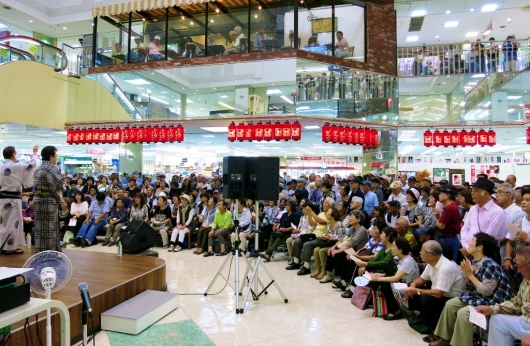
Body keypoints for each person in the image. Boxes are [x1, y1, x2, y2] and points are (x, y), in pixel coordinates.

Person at [430, 233, 511, 346]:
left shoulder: (490, 265)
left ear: (480, 247)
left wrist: (470, 275)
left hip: (492, 301)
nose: (469, 243)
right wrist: (468, 276)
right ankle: (445, 338)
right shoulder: (473, 262)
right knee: (450, 304)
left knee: (464, 313)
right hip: (478, 296)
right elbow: (470, 286)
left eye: (472, 240)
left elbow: (486, 291)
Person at [406, 241, 466, 343]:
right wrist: (413, 285)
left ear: (431, 255)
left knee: (427, 299)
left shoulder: (446, 267)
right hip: (439, 293)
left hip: (452, 298)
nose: (420, 253)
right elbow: (422, 279)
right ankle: (425, 320)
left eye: (422, 250)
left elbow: (439, 293)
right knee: (412, 286)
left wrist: (417, 290)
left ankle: (436, 331)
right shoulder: (431, 262)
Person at [475, 246, 530, 346]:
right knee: (497, 320)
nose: (518, 270)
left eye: (519, 266)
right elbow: (516, 303)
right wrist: (492, 309)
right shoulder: (526, 280)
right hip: (525, 320)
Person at [338, 226, 398, 299]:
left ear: (388, 237)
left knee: (360, 266)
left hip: (382, 272)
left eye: (382, 234)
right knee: (359, 266)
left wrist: (365, 264)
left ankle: (353, 290)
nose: (381, 236)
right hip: (377, 268)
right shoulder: (384, 249)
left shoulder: (393, 250)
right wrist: (365, 266)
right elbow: (375, 259)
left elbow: (383, 263)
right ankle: (350, 287)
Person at [0, 145, 38, 255]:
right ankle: (9, 247)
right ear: (13, 154)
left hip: (2, 198)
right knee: (12, 223)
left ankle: (3, 245)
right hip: (12, 199)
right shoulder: (15, 166)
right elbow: (32, 164)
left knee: (3, 223)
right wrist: (35, 152)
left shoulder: (1, 166)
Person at [371, 237, 420, 320]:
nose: (391, 249)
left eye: (393, 246)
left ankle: (395, 311)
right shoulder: (399, 258)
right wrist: (381, 275)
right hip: (402, 283)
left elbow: (396, 278)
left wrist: (378, 279)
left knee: (386, 285)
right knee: (382, 281)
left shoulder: (408, 261)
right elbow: (396, 274)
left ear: (400, 250)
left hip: (409, 287)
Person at [459, 177, 505, 259]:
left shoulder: (497, 211)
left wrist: (471, 250)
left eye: (475, 190)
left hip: (486, 254)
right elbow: (465, 229)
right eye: (472, 190)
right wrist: (466, 247)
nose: (472, 193)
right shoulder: (473, 209)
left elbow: (488, 237)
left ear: (486, 193)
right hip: (468, 252)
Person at [321, 210, 369, 283]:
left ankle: (338, 278)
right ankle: (329, 275)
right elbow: (342, 239)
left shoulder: (362, 230)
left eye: (352, 217)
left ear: (359, 219)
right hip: (349, 250)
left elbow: (351, 244)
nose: (350, 218)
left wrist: (338, 251)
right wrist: (333, 248)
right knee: (331, 252)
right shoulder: (351, 228)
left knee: (338, 255)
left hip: (357, 252)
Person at [34, 146, 65, 252]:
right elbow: (60, 185)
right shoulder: (51, 168)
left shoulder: (38, 168)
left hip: (38, 200)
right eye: (56, 155)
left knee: (40, 228)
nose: (56, 158)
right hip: (48, 200)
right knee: (50, 228)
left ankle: (40, 250)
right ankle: (51, 251)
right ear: (51, 156)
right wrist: (59, 199)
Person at [434, 185, 462, 262]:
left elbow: (441, 226)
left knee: (446, 262)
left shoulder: (449, 208)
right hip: (452, 238)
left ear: (448, 195)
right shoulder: (453, 206)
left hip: (447, 239)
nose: (439, 195)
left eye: (441, 193)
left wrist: (436, 217)